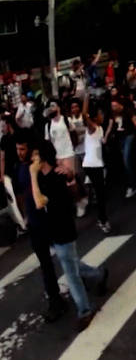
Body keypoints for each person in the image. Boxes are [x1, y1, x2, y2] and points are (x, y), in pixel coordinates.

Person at [30, 140, 107, 331]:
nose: (32, 159)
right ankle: (99, 274)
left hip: (63, 229)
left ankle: (85, 311)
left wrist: (33, 175)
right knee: (72, 264)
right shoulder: (43, 176)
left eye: (35, 155)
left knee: (71, 273)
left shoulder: (55, 177)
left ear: (43, 157)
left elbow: (39, 202)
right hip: (51, 230)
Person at [14, 131, 67, 322]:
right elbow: (21, 193)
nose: (19, 152)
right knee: (46, 264)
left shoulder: (40, 167)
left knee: (67, 258)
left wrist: (67, 172)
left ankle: (95, 274)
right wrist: (24, 216)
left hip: (49, 221)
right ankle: (55, 301)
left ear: (30, 148)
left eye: (22, 149)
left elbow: (55, 186)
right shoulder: (21, 168)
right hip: (34, 225)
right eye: (17, 149)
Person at [104, 97, 136, 198]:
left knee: (126, 160)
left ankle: (132, 185)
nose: (113, 108)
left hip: (129, 136)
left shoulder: (127, 111)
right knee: (128, 162)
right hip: (120, 138)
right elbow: (110, 127)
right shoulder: (113, 114)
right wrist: (105, 137)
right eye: (112, 106)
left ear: (119, 104)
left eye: (115, 106)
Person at [82, 94, 110, 233]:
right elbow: (83, 114)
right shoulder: (92, 127)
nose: (102, 116)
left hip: (97, 164)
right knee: (101, 194)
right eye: (100, 114)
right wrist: (86, 99)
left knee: (101, 193)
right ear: (94, 117)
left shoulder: (100, 128)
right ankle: (103, 220)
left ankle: (102, 218)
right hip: (91, 165)